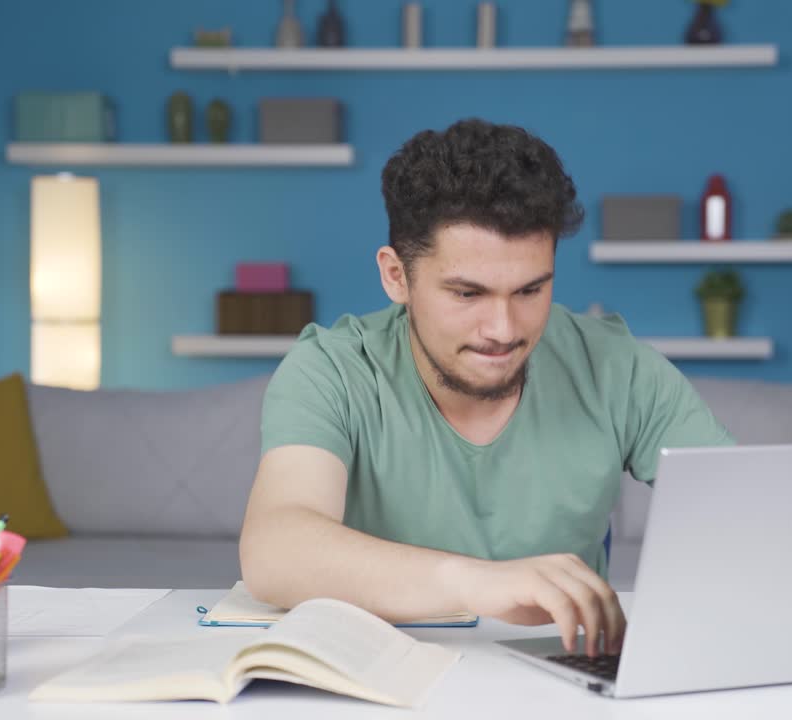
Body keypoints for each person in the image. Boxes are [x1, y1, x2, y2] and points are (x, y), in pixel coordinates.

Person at [239, 118, 733, 657]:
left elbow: (753, 512)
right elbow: (275, 548)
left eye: (529, 289)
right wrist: (478, 584)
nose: (504, 328)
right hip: (379, 671)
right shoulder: (331, 370)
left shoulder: (617, 368)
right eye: (467, 294)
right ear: (396, 276)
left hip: (564, 682)